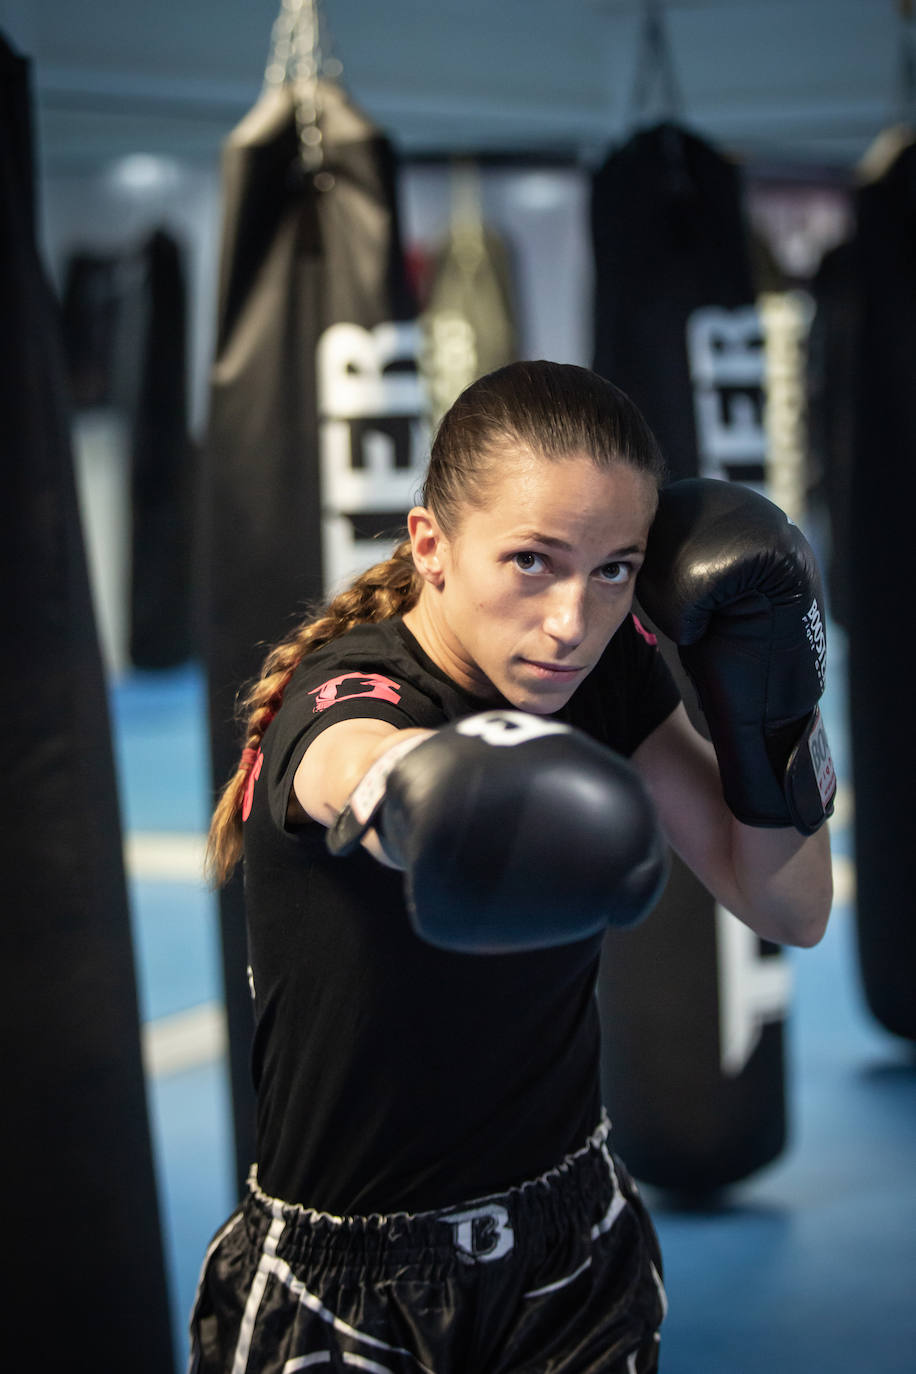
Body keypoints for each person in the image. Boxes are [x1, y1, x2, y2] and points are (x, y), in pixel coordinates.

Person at [192, 360, 834, 1374]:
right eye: (532, 561)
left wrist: (773, 718)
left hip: (572, 1247)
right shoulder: (350, 692)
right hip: (347, 1283)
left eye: (615, 567)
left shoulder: (603, 676)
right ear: (431, 547)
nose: (571, 622)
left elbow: (789, 905)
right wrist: (431, 797)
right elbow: (354, 762)